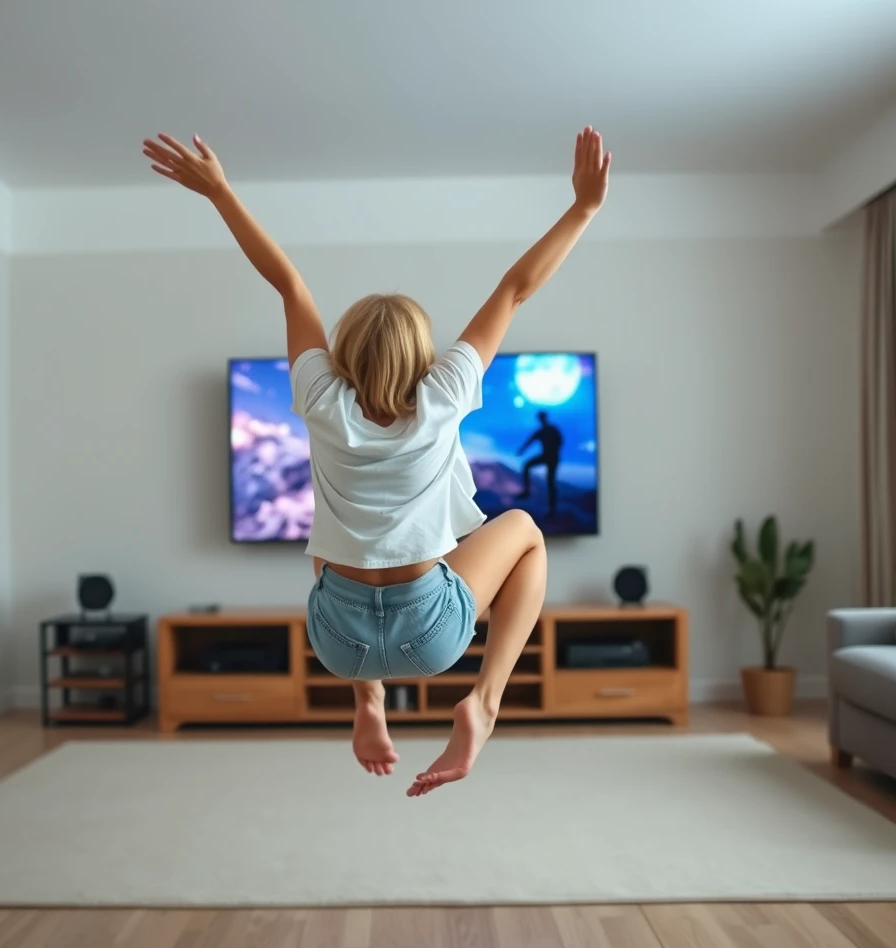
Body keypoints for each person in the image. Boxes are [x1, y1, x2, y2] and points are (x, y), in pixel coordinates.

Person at [142, 127, 610, 796]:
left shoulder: (319, 398)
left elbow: (286, 281)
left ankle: (367, 699)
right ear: (426, 359)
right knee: (528, 535)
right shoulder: (445, 394)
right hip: (435, 637)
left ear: (342, 357)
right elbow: (515, 290)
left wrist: (220, 192)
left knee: (325, 532)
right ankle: (485, 702)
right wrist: (583, 207)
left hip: (336, 642)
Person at [518, 412, 564, 517]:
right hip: (545, 456)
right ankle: (526, 491)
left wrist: (553, 451)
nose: (541, 420)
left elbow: (560, 441)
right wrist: (521, 451)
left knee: (550, 482)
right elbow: (529, 441)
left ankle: (552, 509)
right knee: (527, 465)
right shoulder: (540, 432)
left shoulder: (552, 429)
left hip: (553, 457)